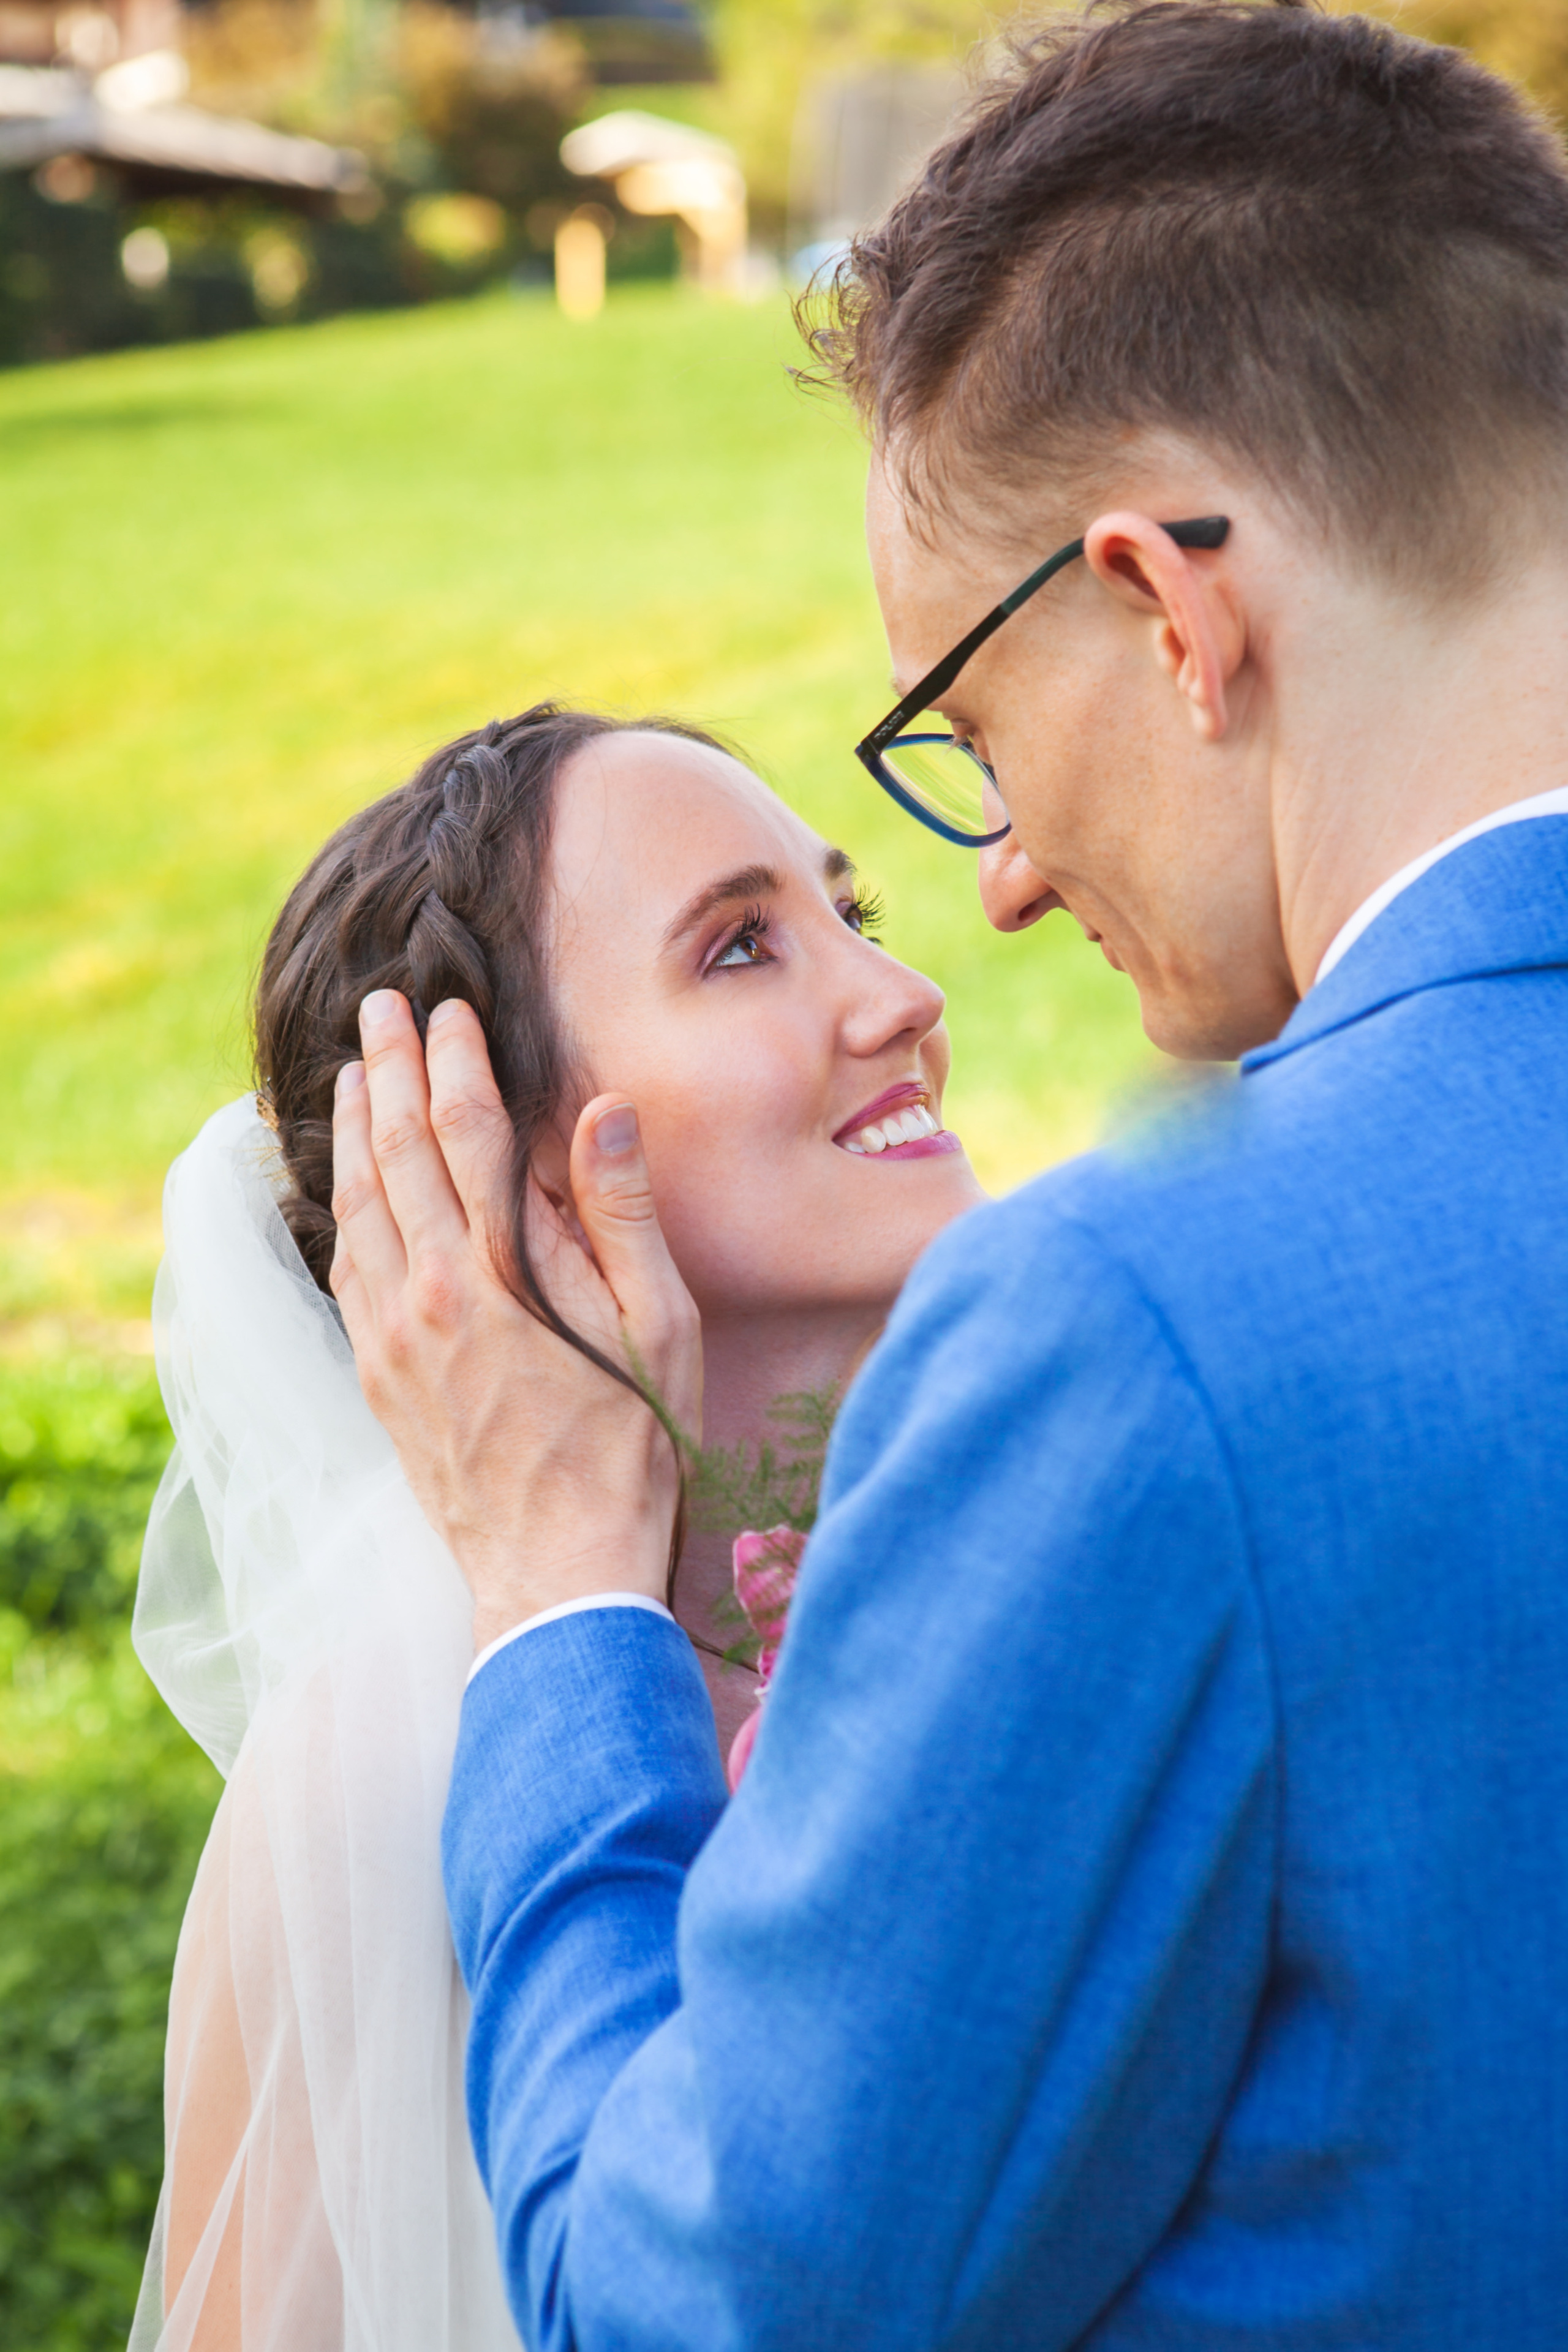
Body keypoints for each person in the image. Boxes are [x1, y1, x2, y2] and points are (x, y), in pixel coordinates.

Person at [329, 4, 1568, 2347]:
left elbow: (680, 2313)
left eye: (970, 735)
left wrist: (556, 1625)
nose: (992, 889)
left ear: (1168, 608)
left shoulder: (1151, 1334)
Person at [129, 705, 982, 2351]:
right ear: (480, 1170)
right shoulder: (382, 1763)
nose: (902, 998)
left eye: (851, 917)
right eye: (743, 946)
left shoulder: (1039, 1540)